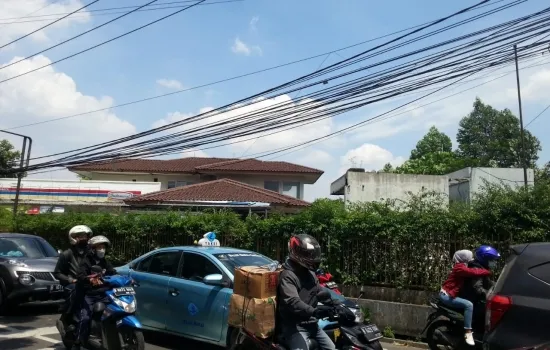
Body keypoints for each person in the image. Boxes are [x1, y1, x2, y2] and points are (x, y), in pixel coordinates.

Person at [276, 234, 336, 350]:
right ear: (297, 253)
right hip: (294, 327)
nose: (312, 257)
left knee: (332, 348)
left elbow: (320, 290)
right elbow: (293, 301)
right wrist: (314, 311)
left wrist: (338, 305)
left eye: (313, 254)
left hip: (312, 324)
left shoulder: (311, 274)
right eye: (308, 254)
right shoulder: (288, 276)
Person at [439, 249, 491, 346]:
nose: (471, 259)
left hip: (450, 294)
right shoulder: (460, 268)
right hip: (446, 295)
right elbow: (473, 272)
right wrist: (486, 271)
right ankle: (468, 331)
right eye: (469, 257)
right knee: (468, 305)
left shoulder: (463, 265)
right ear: (464, 258)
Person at [74, 235, 117, 350]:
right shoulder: (86, 262)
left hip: (105, 294)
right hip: (90, 295)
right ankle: (77, 342)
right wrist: (89, 278)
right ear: (93, 249)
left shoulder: (105, 261)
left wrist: (124, 278)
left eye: (103, 247)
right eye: (99, 247)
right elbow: (80, 275)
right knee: (85, 318)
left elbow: (113, 272)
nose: (102, 250)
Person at [53, 225, 93, 324]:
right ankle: (68, 317)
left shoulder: (91, 253)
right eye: (80, 236)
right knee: (76, 290)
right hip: (73, 283)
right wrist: (71, 280)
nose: (84, 238)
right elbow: (57, 273)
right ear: (73, 238)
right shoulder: (66, 254)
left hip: (88, 281)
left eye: (85, 236)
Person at [459, 245, 501, 327]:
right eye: (492, 260)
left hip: (474, 298)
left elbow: (488, 282)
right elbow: (477, 287)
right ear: (485, 259)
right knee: (484, 313)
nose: (494, 262)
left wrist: (499, 284)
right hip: (471, 299)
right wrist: (488, 294)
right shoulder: (476, 269)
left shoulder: (481, 267)